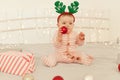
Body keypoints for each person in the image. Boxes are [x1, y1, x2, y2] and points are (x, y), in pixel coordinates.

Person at [41, 1, 93, 67]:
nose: (67, 25)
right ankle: (48, 61)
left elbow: (79, 44)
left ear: (73, 25)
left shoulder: (74, 33)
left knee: (80, 54)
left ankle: (85, 59)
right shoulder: (57, 33)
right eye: (64, 23)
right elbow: (56, 45)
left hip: (72, 54)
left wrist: (80, 38)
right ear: (58, 25)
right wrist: (59, 38)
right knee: (54, 56)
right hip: (60, 54)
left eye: (70, 23)